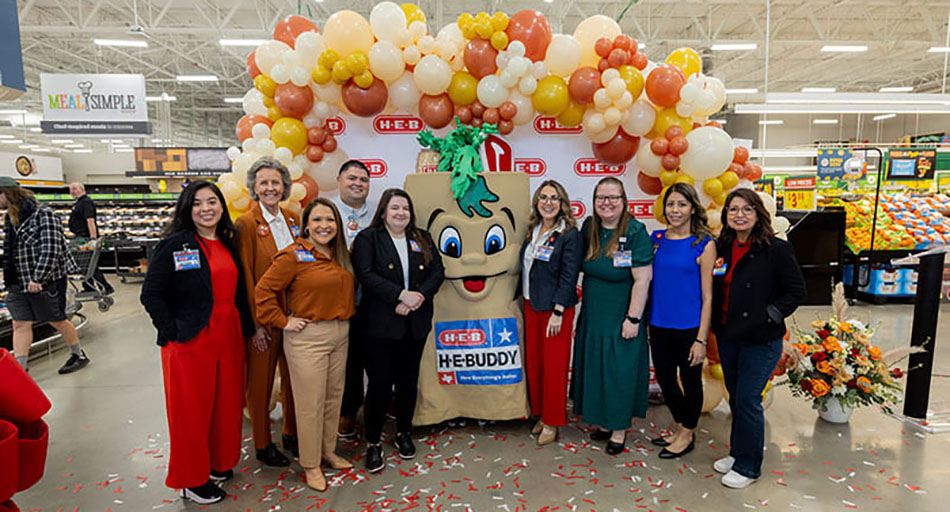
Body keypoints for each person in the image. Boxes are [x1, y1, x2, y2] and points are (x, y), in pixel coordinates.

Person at [140, 182, 254, 505]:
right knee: (191, 410)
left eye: (212, 201)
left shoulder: (228, 242)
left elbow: (239, 292)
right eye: (198, 203)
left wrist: (249, 329)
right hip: (190, 338)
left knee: (226, 403)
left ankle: (217, 462)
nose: (206, 208)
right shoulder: (175, 244)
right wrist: (172, 330)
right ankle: (191, 478)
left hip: (228, 333)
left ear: (222, 206)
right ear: (187, 209)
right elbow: (151, 293)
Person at [255, 198, 355, 491]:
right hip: (307, 338)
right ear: (306, 225)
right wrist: (282, 321)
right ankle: (311, 464)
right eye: (318, 220)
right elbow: (263, 290)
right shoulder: (293, 255)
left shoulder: (340, 256)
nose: (324, 226)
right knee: (310, 404)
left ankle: (328, 451)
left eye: (330, 220)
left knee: (332, 398)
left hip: (340, 332)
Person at [711, 188, 806, 489]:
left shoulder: (775, 249)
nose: (739, 214)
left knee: (749, 400)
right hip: (728, 335)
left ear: (758, 214)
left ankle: (749, 467)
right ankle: (738, 453)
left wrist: (771, 314)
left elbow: (797, 291)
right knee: (737, 398)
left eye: (747, 209)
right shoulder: (721, 247)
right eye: (733, 209)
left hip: (760, 339)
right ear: (726, 215)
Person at [351, 189, 444, 472]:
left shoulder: (422, 237)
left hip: (414, 323)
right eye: (394, 208)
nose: (401, 213)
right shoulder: (369, 238)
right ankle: (373, 442)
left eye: (405, 208)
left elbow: (438, 271)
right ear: (383, 212)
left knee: (408, 382)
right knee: (379, 385)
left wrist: (416, 297)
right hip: (380, 325)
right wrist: (400, 295)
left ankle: (403, 432)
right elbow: (365, 274)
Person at [571, 177, 653, 455]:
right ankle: (604, 423)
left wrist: (633, 319)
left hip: (622, 313)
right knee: (596, 368)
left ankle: (619, 429)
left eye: (613, 197)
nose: (607, 203)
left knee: (620, 372)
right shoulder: (589, 228)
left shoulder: (636, 231)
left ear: (624, 200)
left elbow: (643, 280)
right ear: (594, 202)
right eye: (601, 198)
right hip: (594, 313)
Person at [234, 157, 300, 467]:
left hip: (294, 316)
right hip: (264, 319)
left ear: (284, 186)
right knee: (260, 384)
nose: (271, 187)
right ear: (254, 188)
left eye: (276, 182)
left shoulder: (292, 219)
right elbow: (246, 276)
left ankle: (291, 433)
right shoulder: (246, 224)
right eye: (264, 183)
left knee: (293, 379)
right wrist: (255, 324)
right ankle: (263, 443)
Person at [647, 183, 716, 459]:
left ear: (692, 208)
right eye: (671, 204)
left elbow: (708, 297)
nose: (675, 210)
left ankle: (687, 433)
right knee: (665, 379)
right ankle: (679, 427)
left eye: (681, 204)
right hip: (659, 323)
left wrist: (701, 339)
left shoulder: (704, 244)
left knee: (690, 381)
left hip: (689, 327)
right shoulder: (657, 238)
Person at [1, 177, 88, 374]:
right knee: (20, 323)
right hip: (17, 281)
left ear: (7, 193)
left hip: (45, 281)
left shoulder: (44, 214)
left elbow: (51, 249)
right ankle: (20, 369)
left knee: (56, 319)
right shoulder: (11, 219)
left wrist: (38, 278)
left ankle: (78, 354)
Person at [517, 180, 581, 446]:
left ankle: (553, 422)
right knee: (536, 365)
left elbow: (569, 275)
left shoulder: (569, 234)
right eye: (543, 197)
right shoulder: (533, 229)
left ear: (562, 203)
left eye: (554, 198)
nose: (548, 202)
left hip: (556, 310)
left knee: (554, 368)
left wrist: (558, 310)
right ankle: (542, 415)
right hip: (532, 305)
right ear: (537, 202)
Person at [331, 160, 375, 439]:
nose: (358, 183)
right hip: (340, 298)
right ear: (339, 179)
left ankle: (383, 403)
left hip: (374, 296)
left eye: (363, 179)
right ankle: (347, 411)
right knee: (348, 360)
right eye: (352, 178)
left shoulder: (379, 213)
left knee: (380, 353)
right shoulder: (327, 211)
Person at [68, 182, 114, 295]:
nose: (72, 191)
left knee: (88, 264)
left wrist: (92, 239)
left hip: (85, 238)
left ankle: (103, 287)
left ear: (82, 189)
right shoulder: (80, 202)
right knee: (88, 264)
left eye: (74, 189)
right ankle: (92, 287)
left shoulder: (86, 202)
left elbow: (90, 221)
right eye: (71, 189)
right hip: (82, 237)